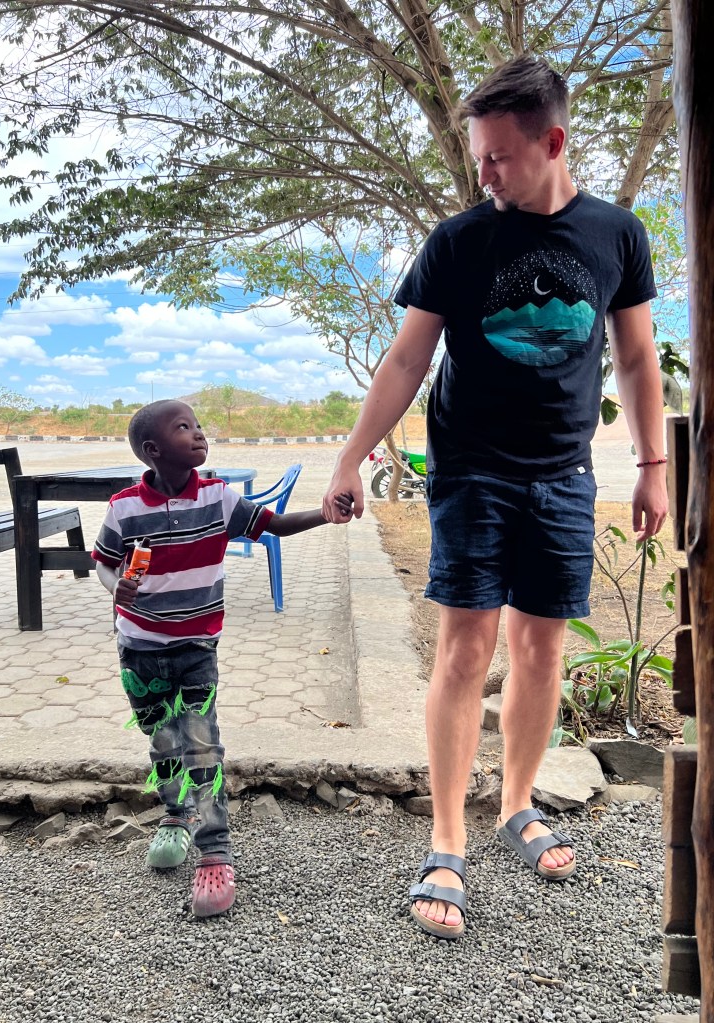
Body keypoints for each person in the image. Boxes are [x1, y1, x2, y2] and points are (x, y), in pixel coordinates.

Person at [322, 55, 668, 940]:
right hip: (472, 468)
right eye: (478, 157)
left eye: (499, 157)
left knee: (542, 649)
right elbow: (408, 357)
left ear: (552, 142)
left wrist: (653, 464)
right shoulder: (459, 240)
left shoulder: (617, 235)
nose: (484, 174)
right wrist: (351, 458)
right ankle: (447, 838)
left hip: (565, 474)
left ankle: (517, 802)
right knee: (465, 647)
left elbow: (635, 358)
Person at [93, 399, 350, 919]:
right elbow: (103, 563)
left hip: (195, 645)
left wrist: (325, 514)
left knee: (201, 743)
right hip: (139, 648)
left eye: (198, 425)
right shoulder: (124, 507)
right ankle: (174, 816)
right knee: (162, 740)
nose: (198, 433)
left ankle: (215, 852)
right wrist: (116, 587)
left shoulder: (218, 497)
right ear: (153, 449)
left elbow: (275, 524)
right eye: (183, 427)